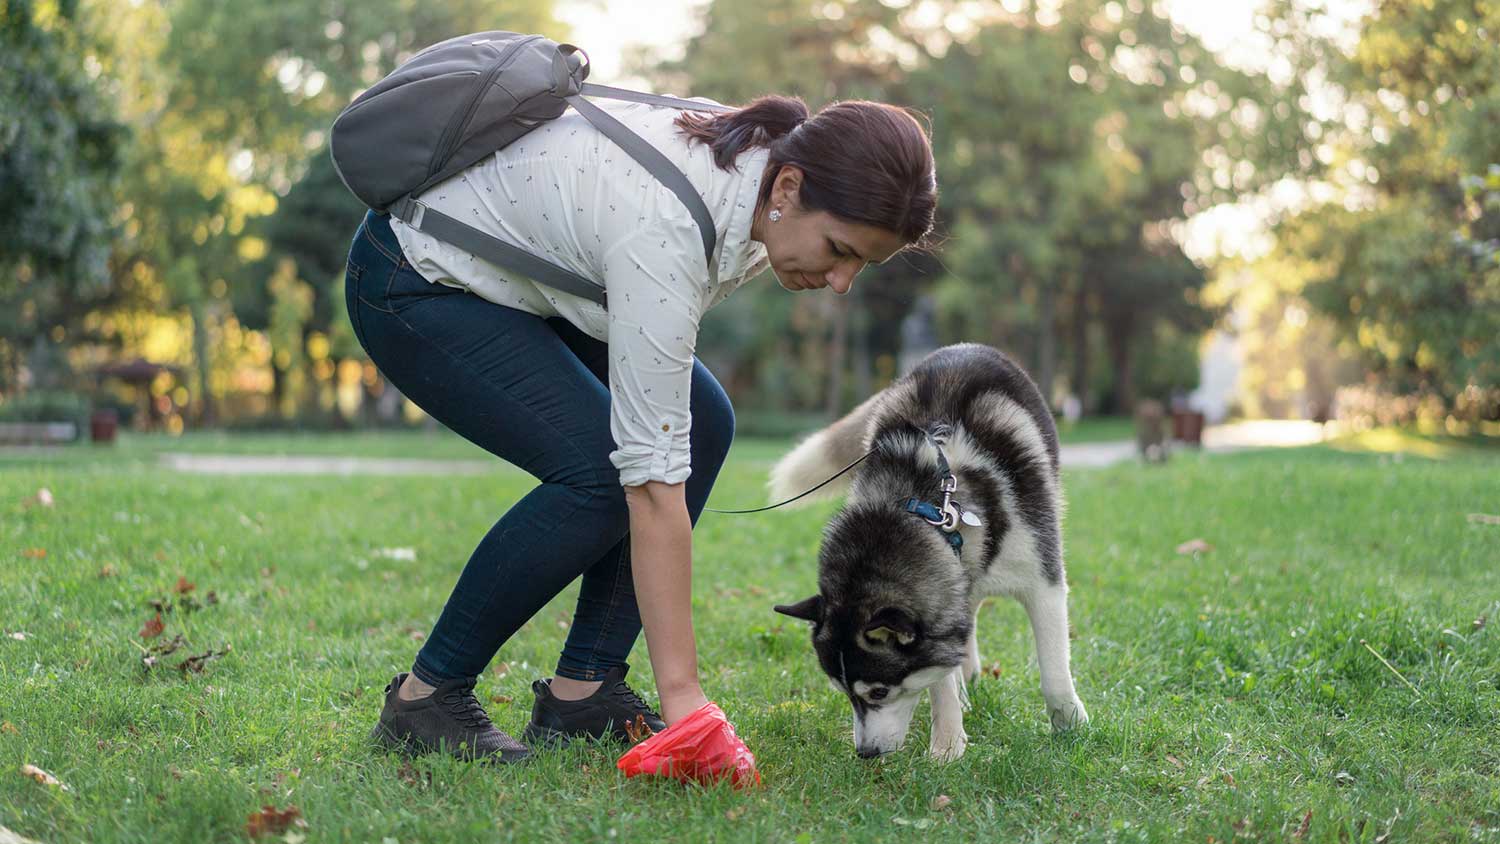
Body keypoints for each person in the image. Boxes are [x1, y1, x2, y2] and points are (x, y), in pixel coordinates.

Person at [348, 92, 938, 763]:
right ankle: (425, 702)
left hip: (525, 286)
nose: (841, 282)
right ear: (791, 187)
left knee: (704, 422)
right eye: (839, 250)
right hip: (415, 280)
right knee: (600, 474)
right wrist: (685, 698)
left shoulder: (759, 183)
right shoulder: (668, 227)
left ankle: (583, 692)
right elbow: (652, 485)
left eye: (861, 264)